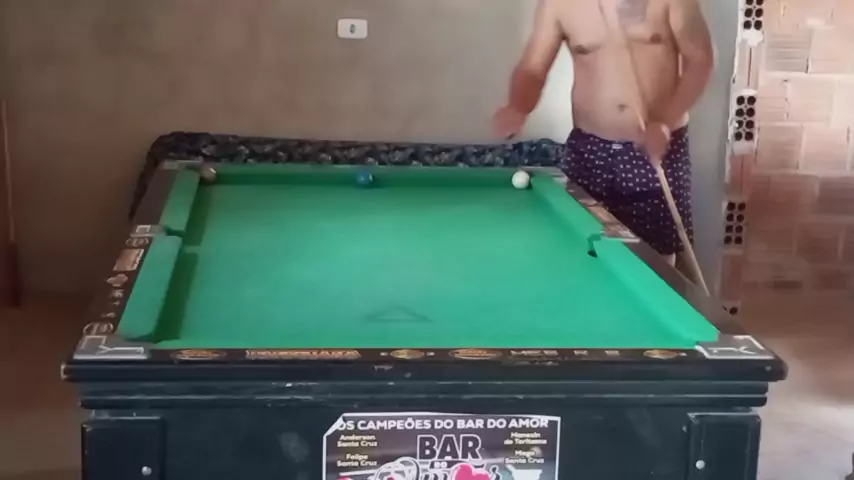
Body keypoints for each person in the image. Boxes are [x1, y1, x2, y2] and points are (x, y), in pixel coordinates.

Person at [494, 0, 714, 266]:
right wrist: (519, 106)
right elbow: (533, 68)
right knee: (583, 251)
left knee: (655, 260)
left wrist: (664, 122)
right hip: (590, 150)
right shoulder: (558, 5)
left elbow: (700, 60)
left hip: (656, 146)